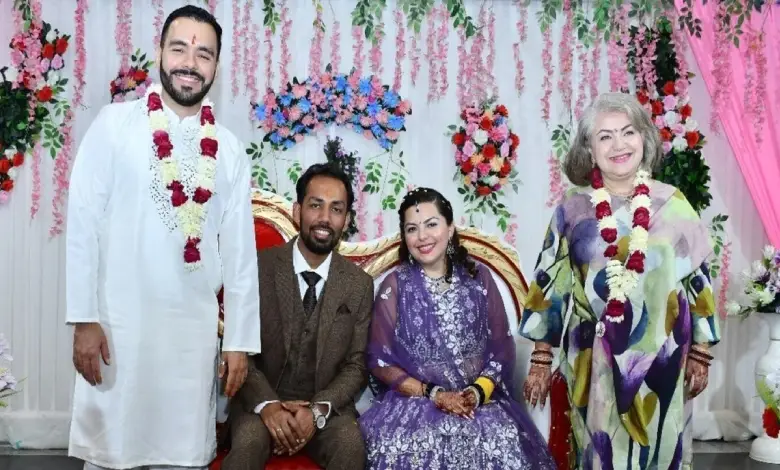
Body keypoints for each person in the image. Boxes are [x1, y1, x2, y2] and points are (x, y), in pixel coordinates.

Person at [65, 6, 260, 470]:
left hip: (189, 337)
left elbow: (239, 256)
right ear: (159, 52)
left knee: (181, 456)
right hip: (119, 327)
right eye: (179, 49)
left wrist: (238, 341)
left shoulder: (229, 151)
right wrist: (83, 318)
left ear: (216, 65)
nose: (190, 63)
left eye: (204, 54)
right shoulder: (114, 125)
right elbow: (83, 224)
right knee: (113, 452)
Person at [521, 92, 719, 470]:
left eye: (628, 132)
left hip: (663, 359)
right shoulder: (573, 209)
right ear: (589, 150)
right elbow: (551, 284)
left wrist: (701, 352)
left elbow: (699, 282)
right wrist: (541, 359)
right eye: (605, 136)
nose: (619, 145)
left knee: (659, 452)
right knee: (599, 454)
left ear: (643, 138)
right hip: (592, 359)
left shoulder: (674, 204)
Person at [358, 187, 558, 469]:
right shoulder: (395, 286)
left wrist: (477, 392)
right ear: (404, 236)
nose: (423, 236)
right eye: (412, 229)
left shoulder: (479, 277)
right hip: (417, 400)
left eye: (431, 224)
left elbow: (502, 351)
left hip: (477, 401)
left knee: (499, 437)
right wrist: (433, 394)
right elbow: (379, 360)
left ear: (450, 228)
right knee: (408, 442)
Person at [222, 163, 372, 470]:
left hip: (324, 411)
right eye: (316, 205)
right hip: (260, 403)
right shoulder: (260, 267)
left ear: (346, 220)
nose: (324, 219)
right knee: (248, 444)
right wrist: (269, 406)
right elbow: (240, 349)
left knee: (350, 444)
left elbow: (357, 366)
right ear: (297, 210)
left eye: (336, 209)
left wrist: (317, 411)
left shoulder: (359, 285)